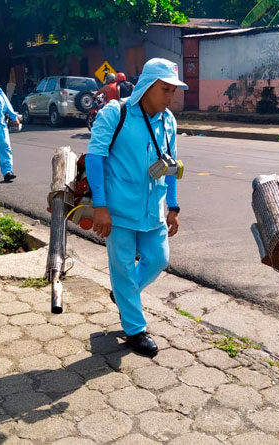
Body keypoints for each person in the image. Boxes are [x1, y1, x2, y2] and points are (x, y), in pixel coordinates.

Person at [85, 58, 187, 357]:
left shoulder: (169, 120)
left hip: (153, 211)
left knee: (158, 258)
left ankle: (123, 295)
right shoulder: (115, 113)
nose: (170, 97)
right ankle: (135, 330)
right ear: (147, 86)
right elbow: (95, 158)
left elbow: (170, 166)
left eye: (173, 91)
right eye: (165, 90)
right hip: (118, 211)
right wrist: (101, 206)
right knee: (123, 268)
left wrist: (173, 205)